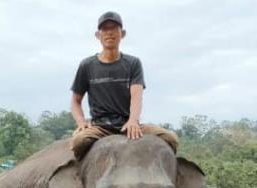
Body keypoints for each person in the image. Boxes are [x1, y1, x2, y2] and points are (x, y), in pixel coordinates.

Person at [69, 11, 178, 160]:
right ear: (97, 35)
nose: (109, 33)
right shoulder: (87, 65)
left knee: (170, 138)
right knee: (78, 141)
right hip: (100, 127)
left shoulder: (133, 63)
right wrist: (81, 123)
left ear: (123, 33)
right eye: (105, 29)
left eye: (114, 28)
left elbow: (136, 96)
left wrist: (133, 120)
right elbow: (75, 101)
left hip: (128, 125)